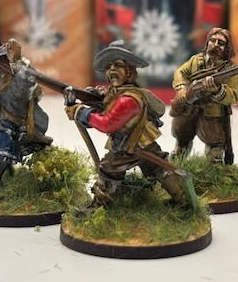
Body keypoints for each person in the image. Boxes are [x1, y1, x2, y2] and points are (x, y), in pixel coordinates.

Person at [65, 40, 198, 210]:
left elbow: (107, 124)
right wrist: (89, 100)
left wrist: (81, 112)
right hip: (142, 144)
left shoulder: (128, 100)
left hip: (129, 146)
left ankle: (98, 208)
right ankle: (182, 201)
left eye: (118, 65)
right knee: (158, 169)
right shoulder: (116, 93)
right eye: (109, 66)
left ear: (129, 71)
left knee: (108, 170)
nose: (112, 70)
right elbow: (105, 107)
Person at [0, 34, 52, 193]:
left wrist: (16, 62)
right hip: (5, 124)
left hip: (24, 124)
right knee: (1, 150)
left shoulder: (17, 78)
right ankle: (1, 178)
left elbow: (28, 80)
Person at [170, 28, 238, 164]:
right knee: (182, 139)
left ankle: (214, 166)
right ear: (207, 43)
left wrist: (218, 90)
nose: (215, 45)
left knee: (214, 146)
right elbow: (180, 72)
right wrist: (182, 88)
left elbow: (234, 96)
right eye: (212, 41)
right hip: (189, 109)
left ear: (227, 48)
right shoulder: (196, 60)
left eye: (220, 43)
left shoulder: (229, 69)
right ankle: (176, 163)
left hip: (212, 113)